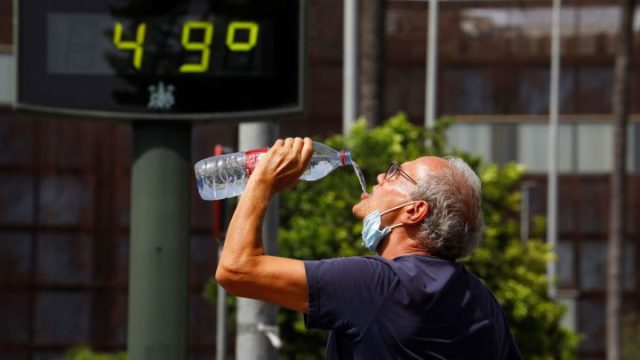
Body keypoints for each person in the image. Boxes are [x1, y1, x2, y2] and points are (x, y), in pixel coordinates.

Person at [215, 137, 523, 359]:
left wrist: (262, 181)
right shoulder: (482, 302)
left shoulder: (377, 284)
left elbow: (236, 269)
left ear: (414, 211)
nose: (379, 176)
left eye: (394, 173)